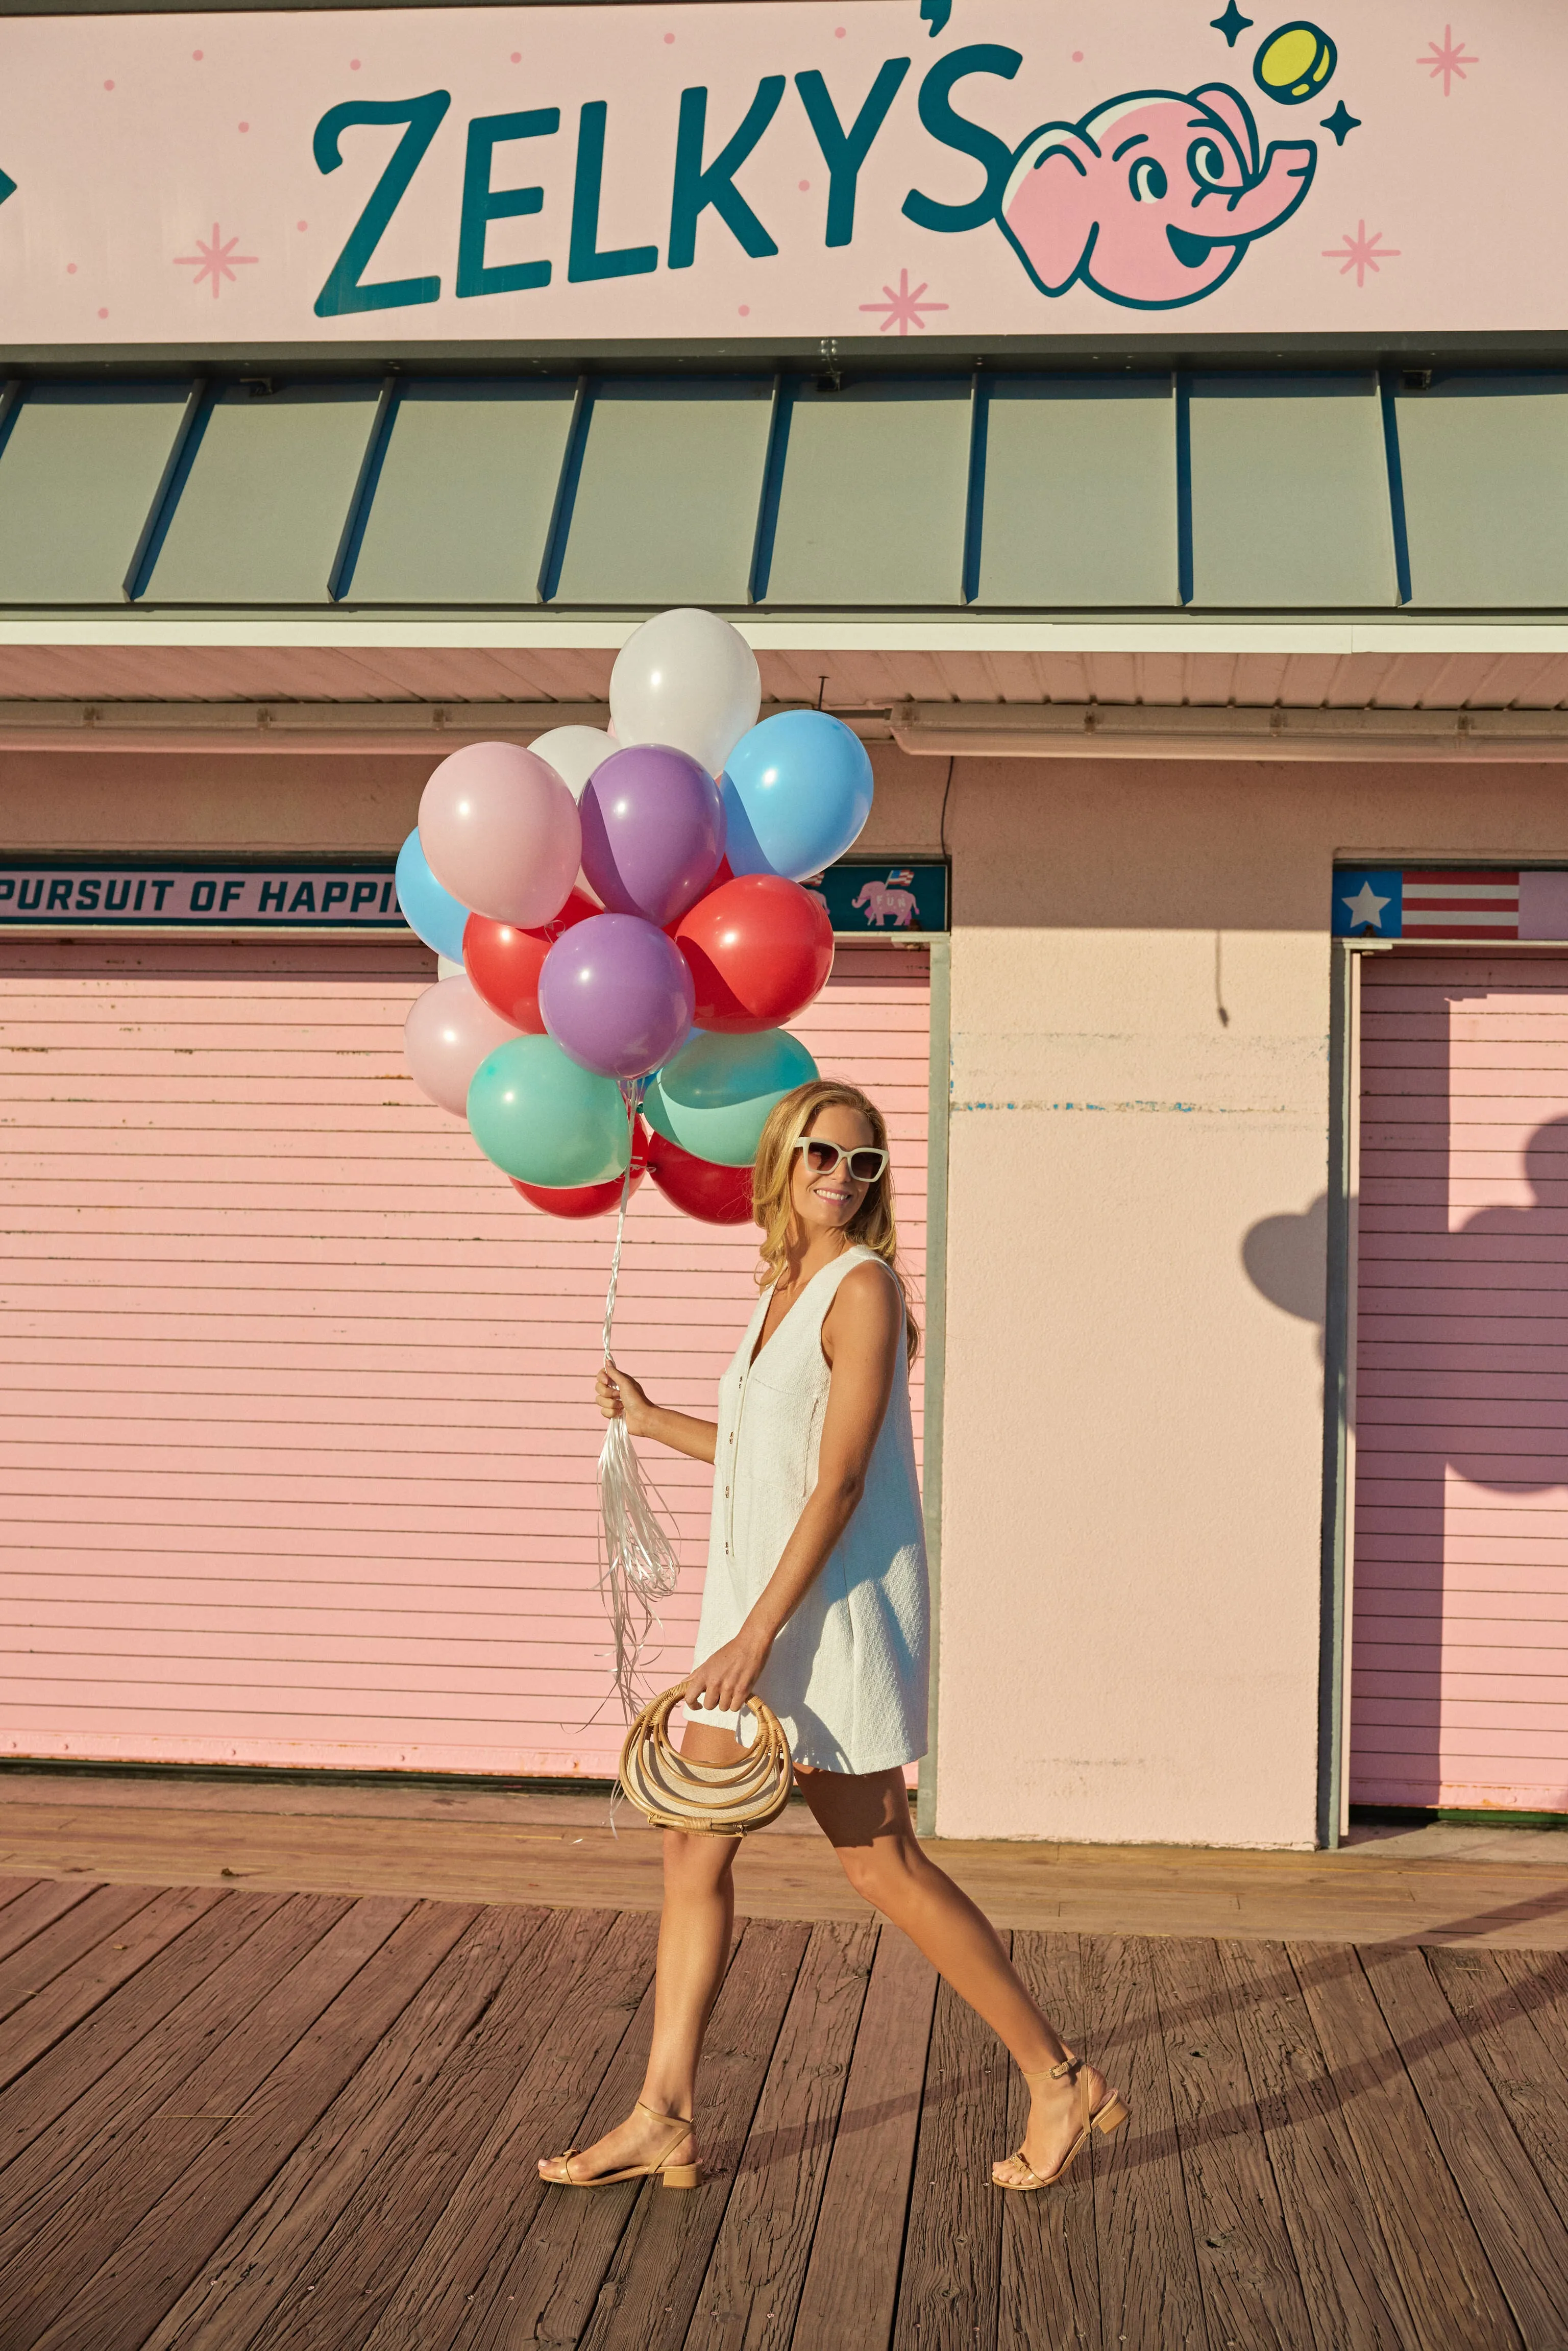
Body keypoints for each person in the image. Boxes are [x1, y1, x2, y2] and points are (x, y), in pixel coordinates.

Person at [538, 1079, 1126, 2194]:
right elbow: (775, 1461)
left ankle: (1058, 2074)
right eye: (822, 1153)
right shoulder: (784, 1286)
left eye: (864, 1162)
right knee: (691, 1845)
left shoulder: (863, 1288)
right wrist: (654, 1417)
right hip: (756, 1613)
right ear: (780, 1160)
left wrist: (759, 1631)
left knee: (881, 1864)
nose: (843, 1177)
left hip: (824, 1619)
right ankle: (663, 2110)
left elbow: (843, 1480)